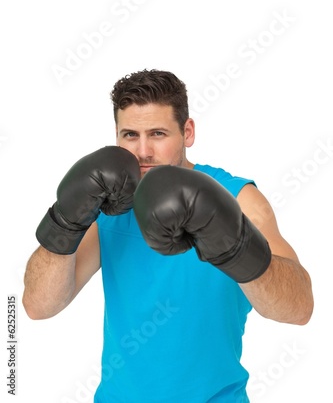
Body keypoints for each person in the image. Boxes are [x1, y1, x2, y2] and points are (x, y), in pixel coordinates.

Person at [22, 69, 314, 402]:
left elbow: (299, 309)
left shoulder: (237, 197)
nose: (143, 151)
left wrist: (233, 244)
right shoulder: (106, 205)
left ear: (187, 132)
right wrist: (65, 218)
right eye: (130, 135)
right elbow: (37, 306)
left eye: (158, 133)